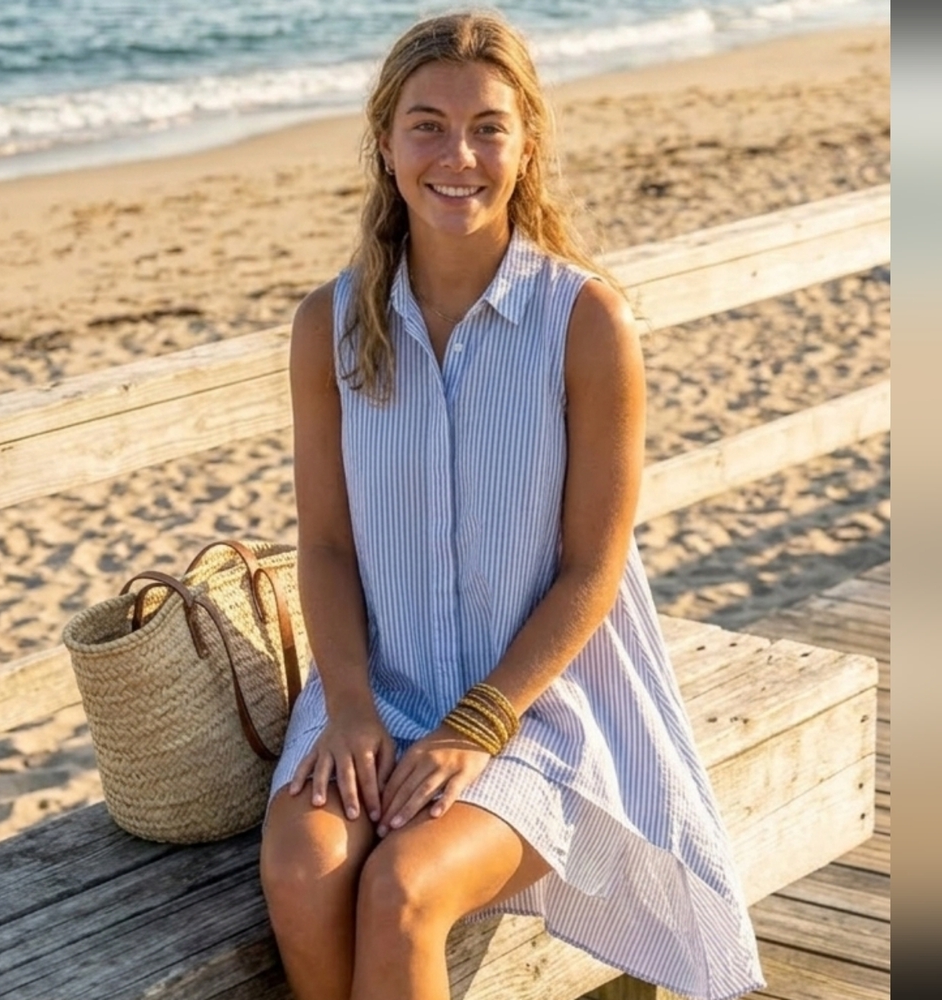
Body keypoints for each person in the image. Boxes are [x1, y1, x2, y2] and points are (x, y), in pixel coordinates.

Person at [259, 11, 764, 1000]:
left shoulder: (583, 321)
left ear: (527, 143)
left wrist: (476, 724)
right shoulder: (327, 325)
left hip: (538, 711)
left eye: (488, 126)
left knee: (401, 888)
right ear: (385, 143)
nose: (459, 154)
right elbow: (322, 545)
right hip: (376, 689)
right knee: (300, 872)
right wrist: (352, 709)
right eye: (427, 126)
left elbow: (593, 566)